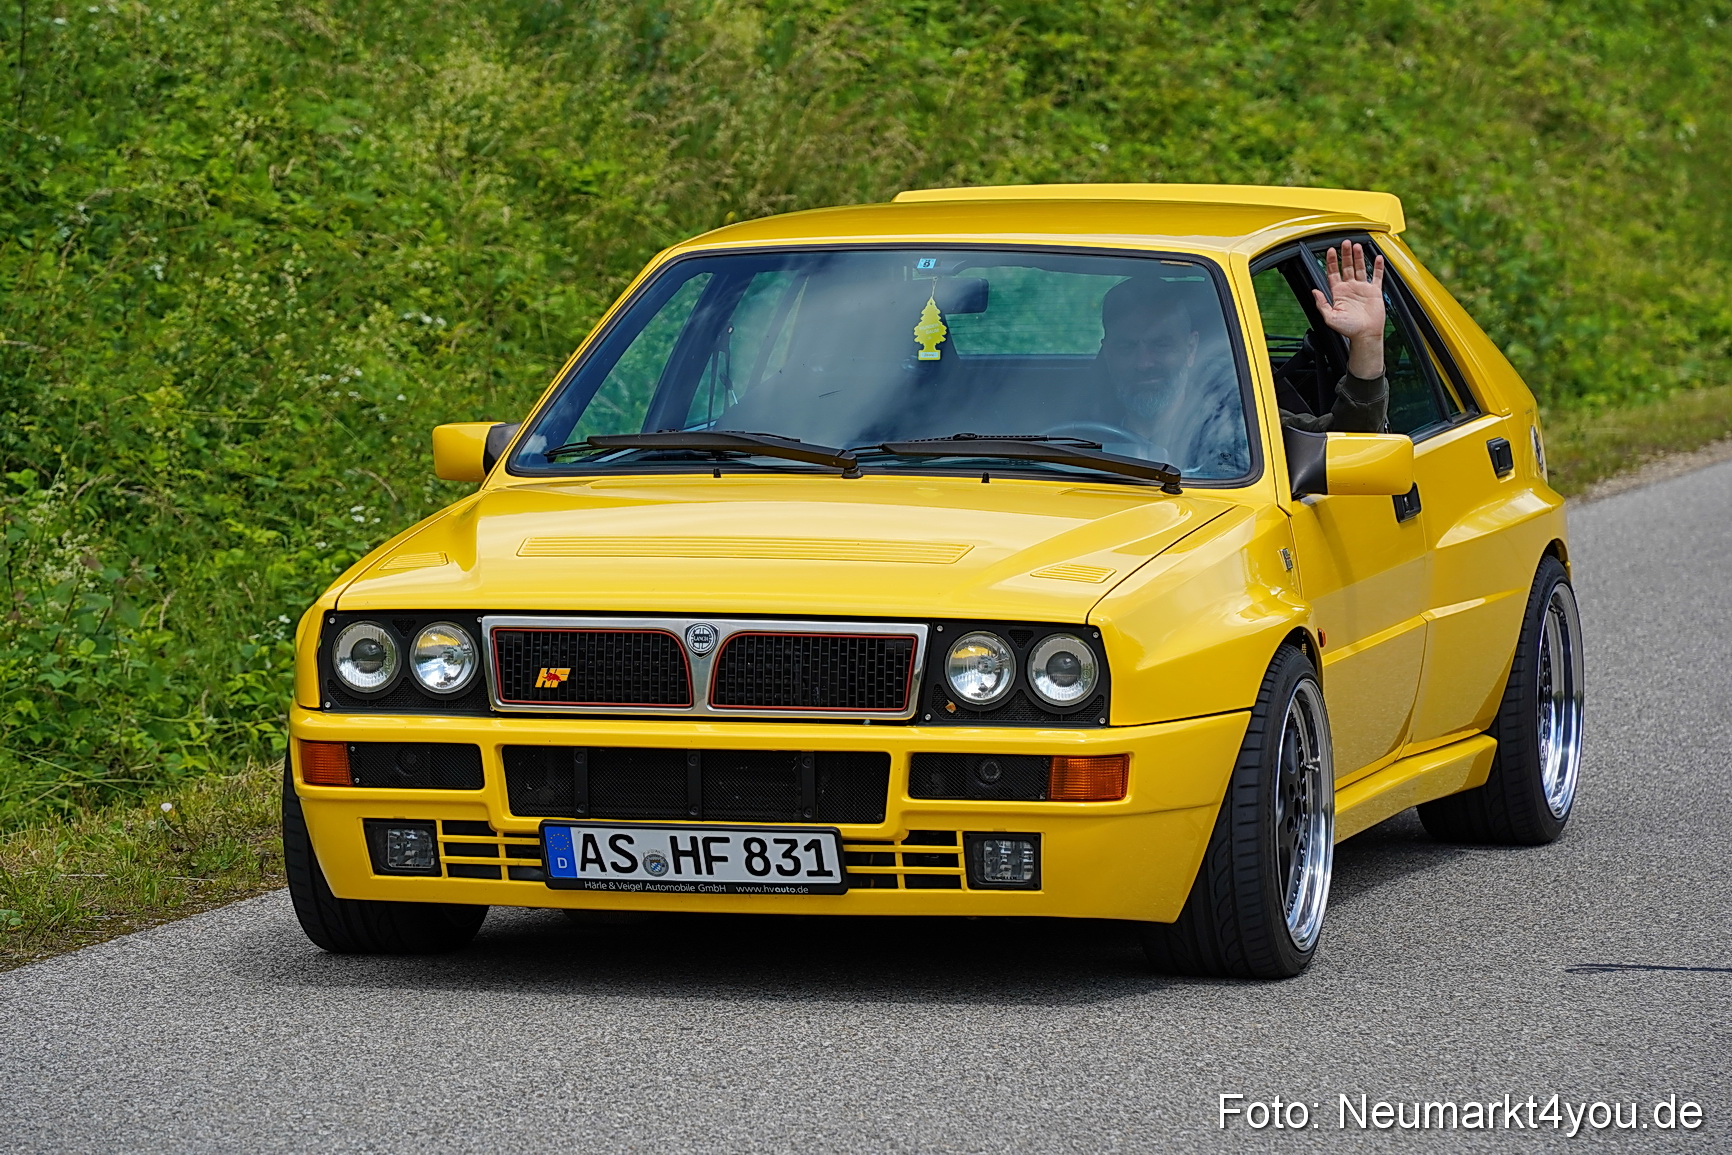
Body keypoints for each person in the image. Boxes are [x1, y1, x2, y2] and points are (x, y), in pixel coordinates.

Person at [1098, 240, 1389, 448]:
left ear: (1190, 350)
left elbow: (1351, 443)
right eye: (1127, 347)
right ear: (1107, 352)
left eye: (1161, 345)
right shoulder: (1062, 434)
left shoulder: (1242, 428)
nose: (1143, 362)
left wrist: (1366, 341)